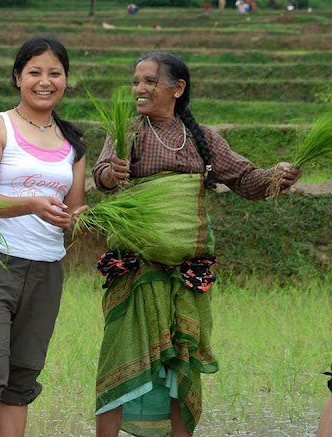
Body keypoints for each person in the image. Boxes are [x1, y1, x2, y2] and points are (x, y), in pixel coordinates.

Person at [91, 51, 302, 436]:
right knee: (120, 355)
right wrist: (110, 174)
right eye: (136, 80)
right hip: (137, 270)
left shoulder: (202, 139)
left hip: (187, 276)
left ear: (177, 89)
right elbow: (102, 176)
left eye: (150, 81)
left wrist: (278, 176)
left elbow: (247, 179)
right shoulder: (126, 131)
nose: (139, 88)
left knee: (181, 362)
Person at [0, 35, 86, 436]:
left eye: (55, 73)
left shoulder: (72, 143)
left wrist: (78, 218)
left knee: (21, 378)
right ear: (17, 77)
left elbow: (74, 208)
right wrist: (32, 204)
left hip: (45, 268)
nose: (45, 81)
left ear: (65, 80)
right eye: (35, 72)